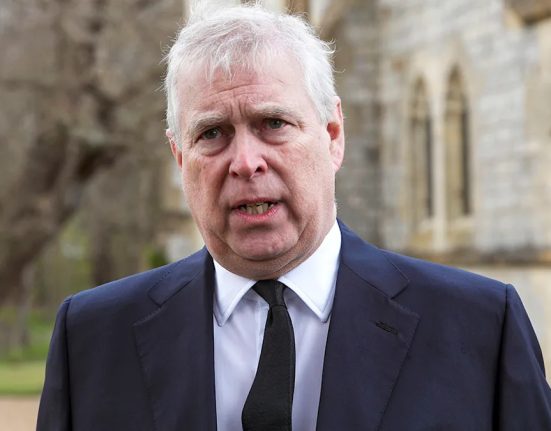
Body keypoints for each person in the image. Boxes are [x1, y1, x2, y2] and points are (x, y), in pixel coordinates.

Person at [37, 4, 551, 431]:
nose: (246, 162)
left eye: (273, 123)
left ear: (333, 136)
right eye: (212, 133)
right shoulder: (92, 340)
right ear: (179, 157)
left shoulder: (481, 327)